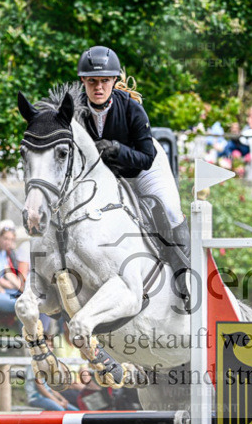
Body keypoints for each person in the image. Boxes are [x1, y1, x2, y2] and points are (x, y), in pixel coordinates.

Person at [75, 45, 190, 285]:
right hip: (105, 174)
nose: (98, 87)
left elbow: (145, 158)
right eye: (92, 81)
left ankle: (184, 276)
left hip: (144, 168)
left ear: (114, 80)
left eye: (105, 81)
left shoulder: (131, 108)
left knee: (169, 210)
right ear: (83, 80)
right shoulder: (76, 111)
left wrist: (117, 148)